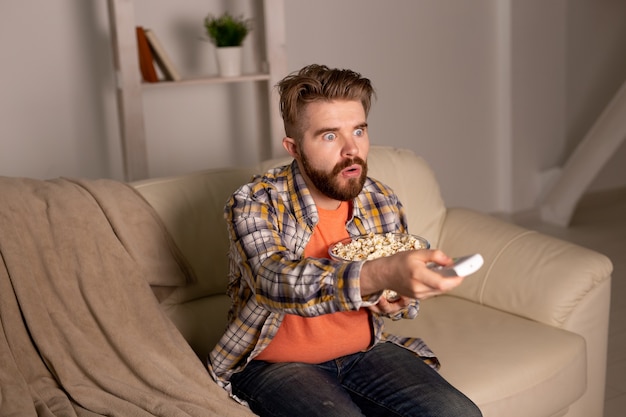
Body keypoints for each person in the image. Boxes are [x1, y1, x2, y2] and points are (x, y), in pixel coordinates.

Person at [208, 64, 482, 417]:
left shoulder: (381, 199)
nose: (351, 149)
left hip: (367, 350)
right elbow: (273, 280)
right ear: (293, 147)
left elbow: (398, 298)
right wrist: (380, 274)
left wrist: (395, 298)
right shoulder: (255, 201)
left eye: (359, 130)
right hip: (275, 364)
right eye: (329, 136)